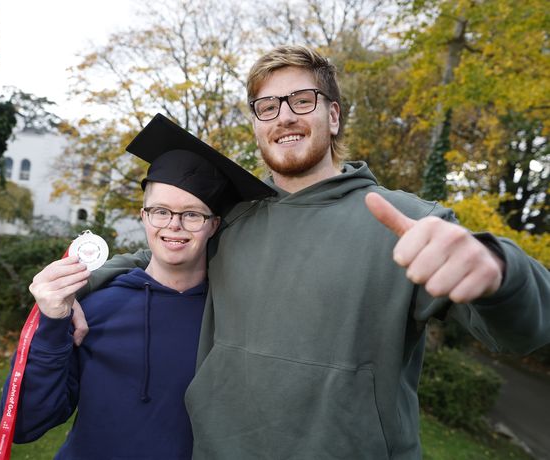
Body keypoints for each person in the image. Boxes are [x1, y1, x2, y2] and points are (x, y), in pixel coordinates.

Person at [81, 46, 549, 459]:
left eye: (301, 100)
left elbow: (526, 330)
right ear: (257, 124)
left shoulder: (406, 221)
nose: (284, 116)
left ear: (334, 115)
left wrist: (500, 271)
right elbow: (165, 264)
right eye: (267, 106)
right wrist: (89, 278)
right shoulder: (232, 219)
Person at [0, 114, 274, 459]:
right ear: (143, 216)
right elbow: (25, 425)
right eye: (160, 211)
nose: (174, 226)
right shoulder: (95, 307)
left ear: (214, 225)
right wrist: (52, 324)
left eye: (192, 214)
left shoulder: (230, 317)